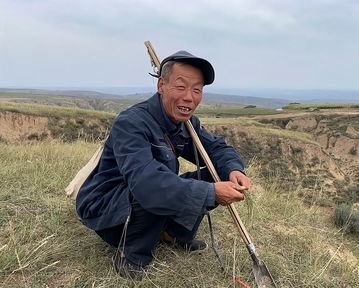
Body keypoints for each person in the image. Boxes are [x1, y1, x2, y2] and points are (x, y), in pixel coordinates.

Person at [76, 50, 251, 280]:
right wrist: (211, 193)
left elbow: (217, 149)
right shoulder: (132, 123)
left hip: (144, 198)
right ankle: (131, 254)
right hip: (109, 210)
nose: (189, 97)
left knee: (215, 173)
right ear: (161, 86)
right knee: (153, 186)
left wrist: (233, 170)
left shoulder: (186, 124)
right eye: (181, 87)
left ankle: (173, 234)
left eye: (196, 90)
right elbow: (146, 183)